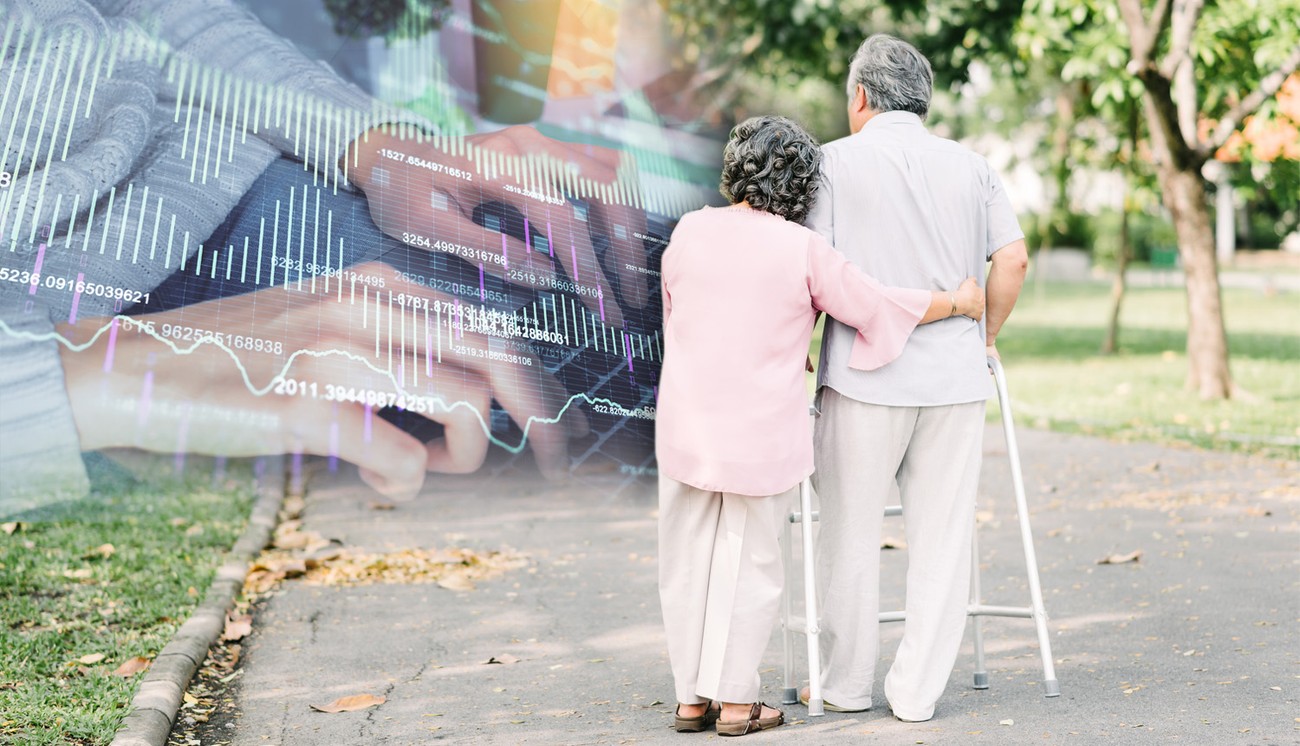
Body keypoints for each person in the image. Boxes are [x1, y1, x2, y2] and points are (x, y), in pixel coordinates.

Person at [0, 0, 663, 516]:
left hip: (235, 168)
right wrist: (66, 377)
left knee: (642, 288)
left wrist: (369, 142)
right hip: (65, 331)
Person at [655, 115, 985, 737]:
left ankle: (690, 699)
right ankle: (735, 703)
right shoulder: (800, 248)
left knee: (687, 557)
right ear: (802, 186)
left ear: (735, 169)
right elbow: (874, 304)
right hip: (761, 435)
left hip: (687, 425)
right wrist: (960, 303)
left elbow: (683, 316)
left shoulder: (689, 231)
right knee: (751, 562)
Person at [800, 34, 1030, 722]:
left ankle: (844, 685)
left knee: (848, 533)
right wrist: (983, 336)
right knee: (942, 536)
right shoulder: (972, 165)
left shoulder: (831, 164)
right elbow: (1012, 260)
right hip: (954, 379)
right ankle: (917, 693)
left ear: (862, 96)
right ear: (923, 100)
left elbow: (809, 267)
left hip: (864, 381)